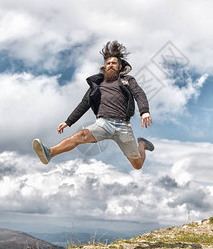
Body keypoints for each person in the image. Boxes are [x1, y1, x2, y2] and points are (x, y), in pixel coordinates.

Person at [33, 40, 154, 170]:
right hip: (103, 124)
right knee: (80, 136)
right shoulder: (97, 84)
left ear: (120, 66)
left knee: (137, 165)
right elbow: (84, 103)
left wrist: (144, 111)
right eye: (108, 63)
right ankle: (49, 153)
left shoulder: (127, 80)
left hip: (123, 126)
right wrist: (68, 121)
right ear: (104, 66)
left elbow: (138, 93)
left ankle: (141, 144)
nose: (110, 65)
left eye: (114, 63)